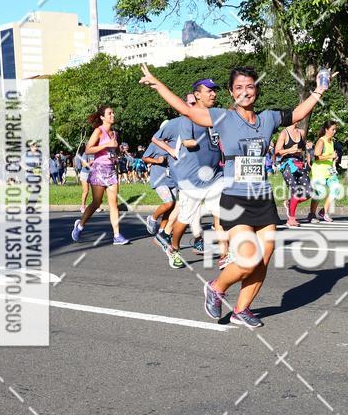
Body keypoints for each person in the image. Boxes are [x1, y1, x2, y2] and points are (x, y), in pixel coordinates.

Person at [139, 63, 333, 326]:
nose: (245, 92)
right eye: (239, 87)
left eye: (250, 86)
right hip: (235, 198)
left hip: (262, 198)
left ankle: (242, 309)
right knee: (247, 258)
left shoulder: (268, 118)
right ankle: (216, 288)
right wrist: (158, 84)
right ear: (232, 92)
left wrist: (319, 91)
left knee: (263, 259)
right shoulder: (222, 117)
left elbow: (297, 112)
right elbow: (186, 109)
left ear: (256, 90)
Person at [151, 80, 225, 269]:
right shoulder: (187, 118)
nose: (213, 94)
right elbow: (188, 142)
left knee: (221, 214)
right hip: (192, 179)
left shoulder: (217, 115)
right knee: (183, 219)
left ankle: (225, 255)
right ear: (198, 95)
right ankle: (172, 247)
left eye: (214, 91)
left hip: (215, 175)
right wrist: (203, 137)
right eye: (209, 91)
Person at [71, 106, 129, 245]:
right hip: (98, 170)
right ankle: (79, 226)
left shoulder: (114, 133)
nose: (113, 115)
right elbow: (88, 149)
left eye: (113, 113)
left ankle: (116, 236)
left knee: (113, 204)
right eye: (110, 113)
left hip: (111, 170)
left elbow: (112, 152)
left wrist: (116, 155)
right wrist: (106, 145)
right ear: (102, 117)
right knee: (97, 203)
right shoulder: (99, 131)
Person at [275, 122, 312, 227]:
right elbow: (277, 151)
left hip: (300, 164)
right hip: (287, 164)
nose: (300, 120)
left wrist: (308, 151)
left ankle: (289, 202)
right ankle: (291, 219)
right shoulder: (284, 133)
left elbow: (303, 148)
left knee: (309, 192)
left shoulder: (302, 132)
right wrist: (290, 150)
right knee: (295, 190)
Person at [308, 121, 341, 223]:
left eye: (335, 129)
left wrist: (334, 158)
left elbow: (329, 156)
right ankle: (312, 214)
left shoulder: (331, 141)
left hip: (329, 170)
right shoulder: (321, 141)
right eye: (333, 129)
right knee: (320, 193)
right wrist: (330, 156)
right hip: (319, 172)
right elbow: (317, 157)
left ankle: (324, 211)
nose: (334, 131)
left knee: (336, 189)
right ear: (326, 130)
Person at [143, 139, 177, 238]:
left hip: (172, 179)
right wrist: (156, 160)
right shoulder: (155, 144)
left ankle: (162, 230)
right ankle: (152, 219)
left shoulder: (176, 144)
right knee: (168, 203)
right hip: (159, 179)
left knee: (172, 206)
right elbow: (144, 158)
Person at [77, 144, 92, 214]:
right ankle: (83, 206)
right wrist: (91, 162)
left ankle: (95, 206)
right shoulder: (85, 154)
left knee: (95, 191)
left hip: (93, 174)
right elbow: (84, 164)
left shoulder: (95, 153)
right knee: (86, 191)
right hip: (85, 174)